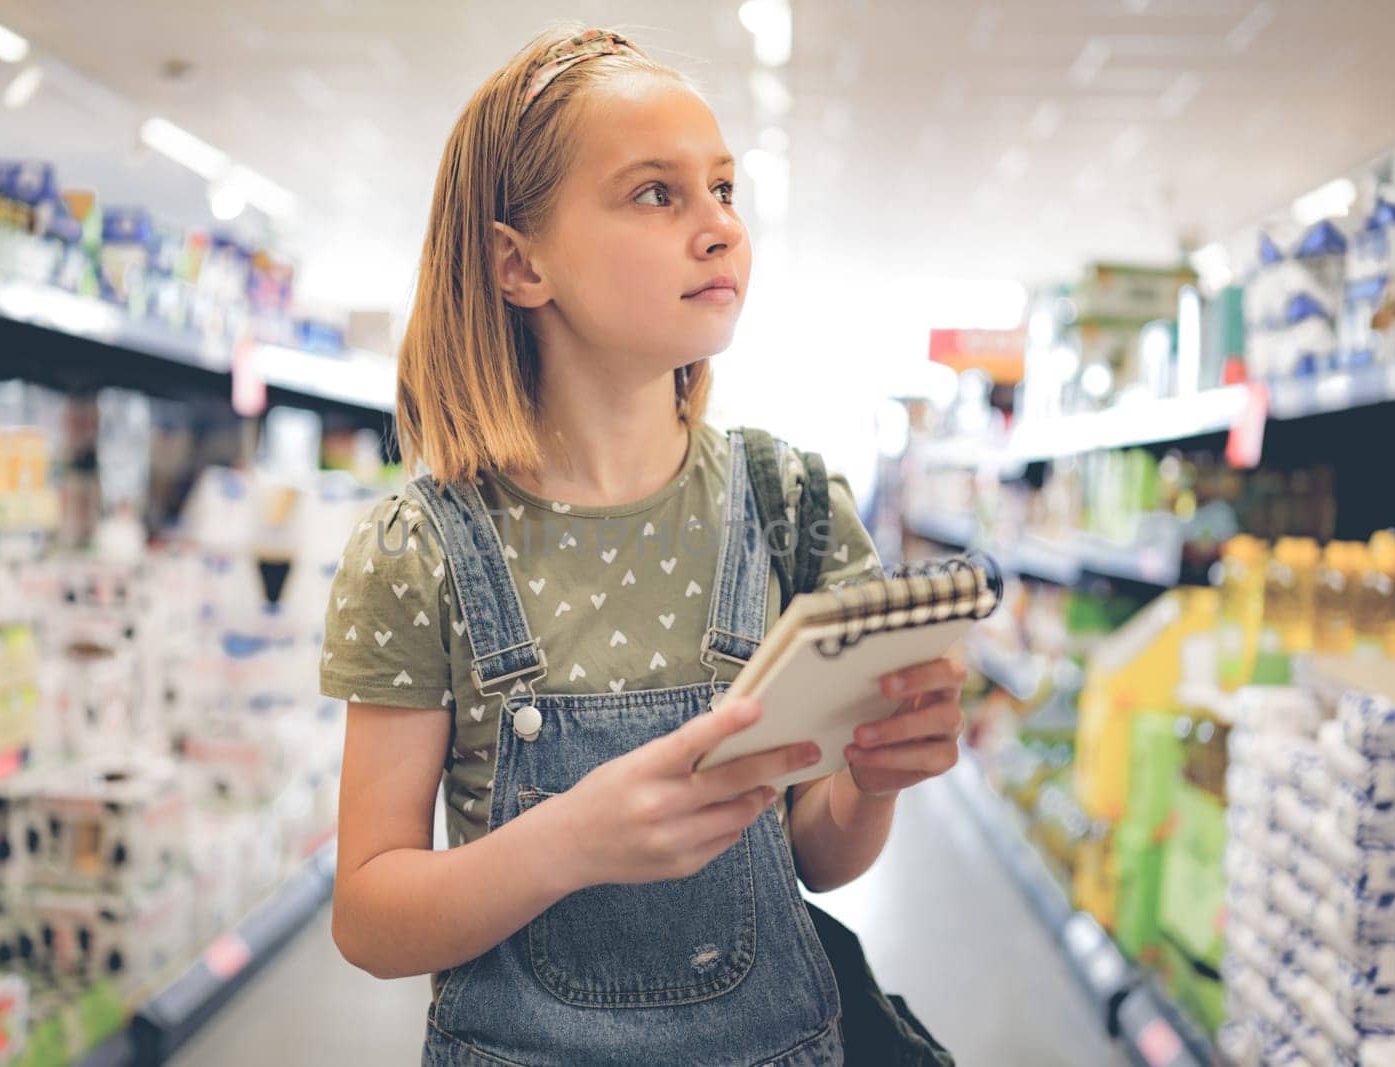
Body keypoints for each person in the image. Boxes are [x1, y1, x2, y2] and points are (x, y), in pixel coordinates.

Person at [321, 22, 968, 1066]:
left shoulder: (791, 507)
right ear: (517, 262)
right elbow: (369, 914)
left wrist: (874, 778)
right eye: (655, 193)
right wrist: (568, 842)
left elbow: (812, 851)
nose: (718, 228)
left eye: (722, 189)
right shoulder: (421, 551)